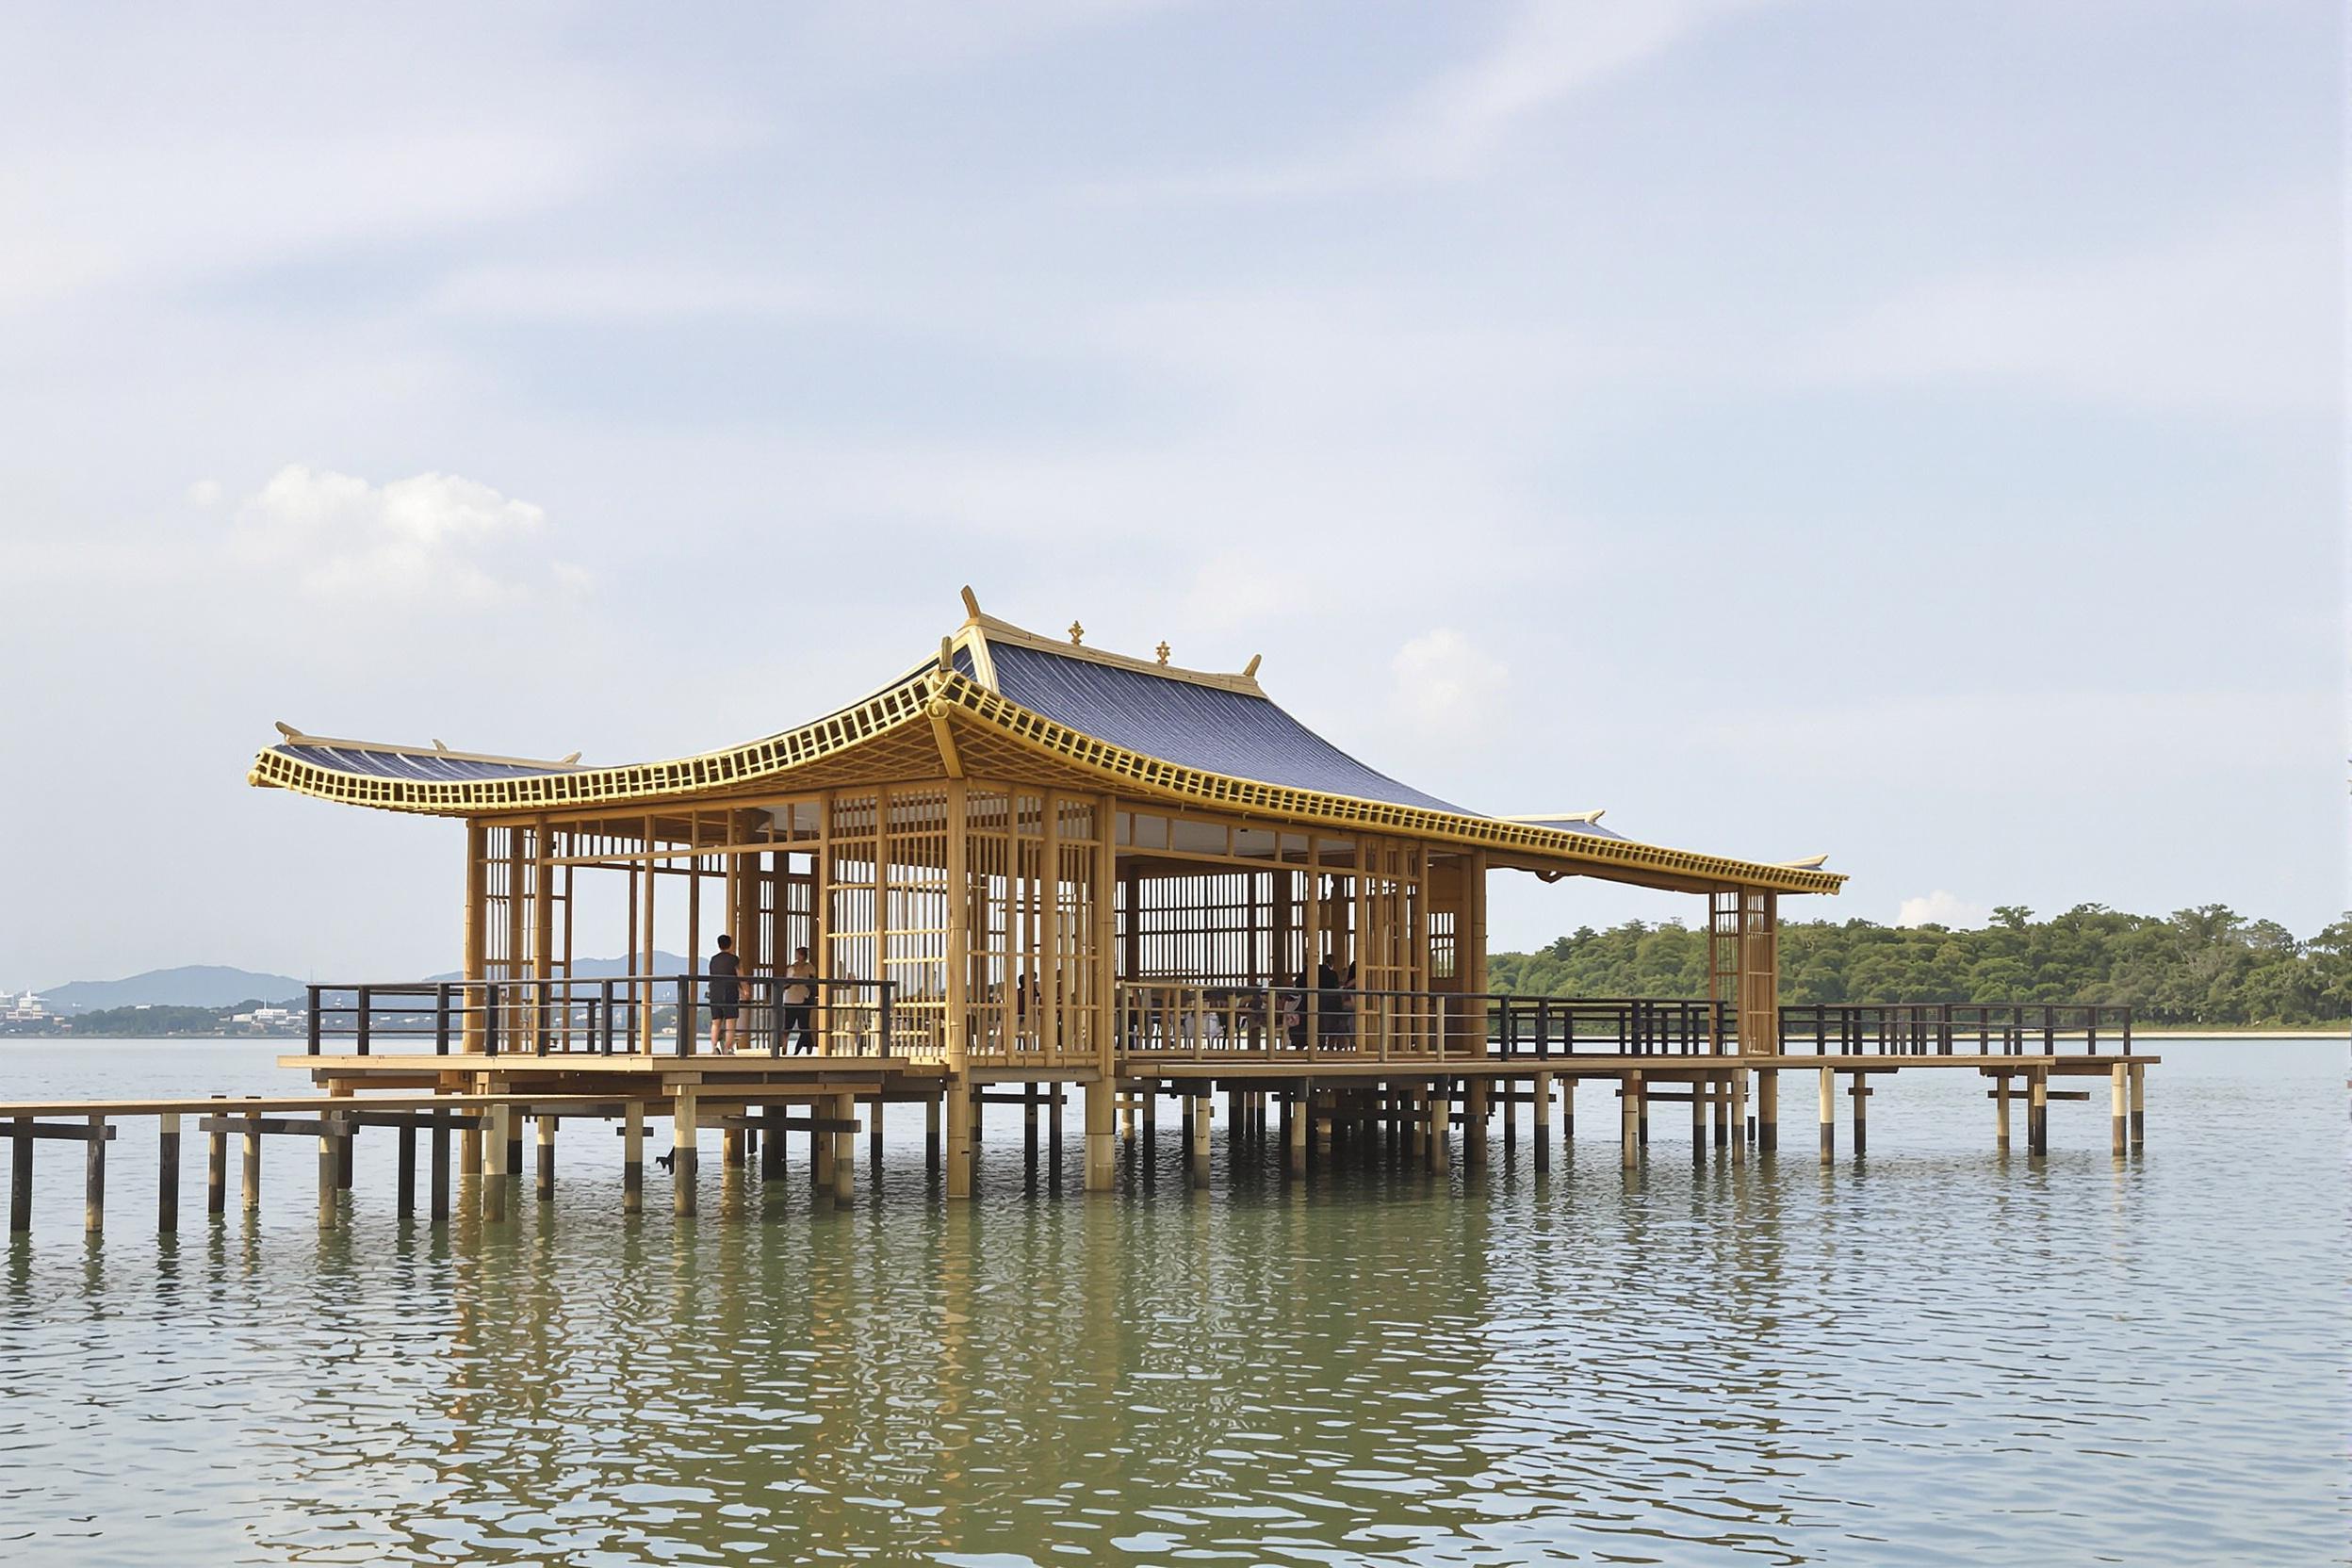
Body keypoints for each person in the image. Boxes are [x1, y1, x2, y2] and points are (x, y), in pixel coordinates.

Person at [706, 935, 742, 1054]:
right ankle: (728, 1048)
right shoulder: (734, 959)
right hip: (730, 992)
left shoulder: (713, 959)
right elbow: (741, 975)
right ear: (731, 944)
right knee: (730, 1022)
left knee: (716, 1022)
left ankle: (714, 1048)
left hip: (714, 992)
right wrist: (745, 990)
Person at [781, 945, 816, 1054]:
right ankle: (787, 1047)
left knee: (802, 1025)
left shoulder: (809, 968)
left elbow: (812, 983)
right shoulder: (792, 967)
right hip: (792, 998)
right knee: (793, 1025)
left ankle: (797, 1048)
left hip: (801, 998)